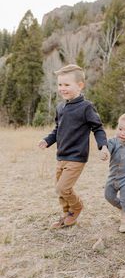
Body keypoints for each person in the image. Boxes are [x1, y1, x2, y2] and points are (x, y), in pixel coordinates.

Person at [38, 64, 109, 229]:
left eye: (67, 85)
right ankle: (67, 214)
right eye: (60, 85)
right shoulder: (60, 107)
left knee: (64, 187)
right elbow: (58, 130)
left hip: (77, 156)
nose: (62, 88)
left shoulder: (86, 107)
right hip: (61, 155)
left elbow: (98, 128)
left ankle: (76, 207)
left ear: (80, 85)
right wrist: (47, 140)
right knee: (59, 190)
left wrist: (103, 146)